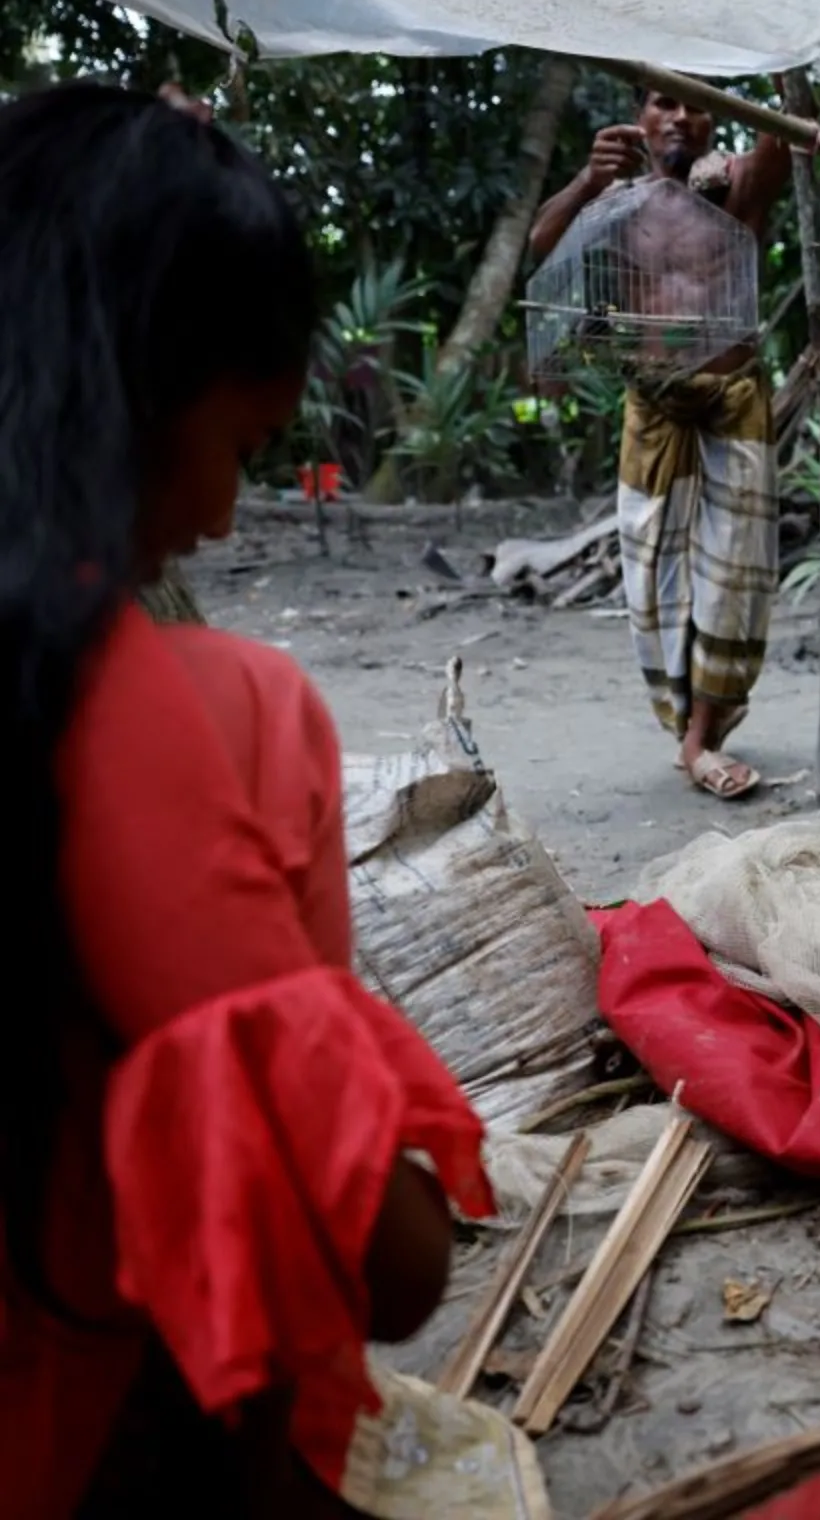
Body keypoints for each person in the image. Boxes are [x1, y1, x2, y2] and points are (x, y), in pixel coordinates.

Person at [0, 86, 493, 1516]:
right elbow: (387, 1270)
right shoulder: (142, 701)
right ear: (130, 398)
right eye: (236, 445)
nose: (222, 517)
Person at [530, 81, 793, 800]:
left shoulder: (735, 183)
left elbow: (786, 139)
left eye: (697, 103)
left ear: (718, 119)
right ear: (639, 119)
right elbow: (543, 244)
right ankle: (689, 729)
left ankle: (701, 738)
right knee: (651, 572)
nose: (680, 116)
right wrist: (589, 177)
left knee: (733, 572)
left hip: (733, 399)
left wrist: (779, 74)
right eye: (662, 101)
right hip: (652, 404)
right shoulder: (615, 203)